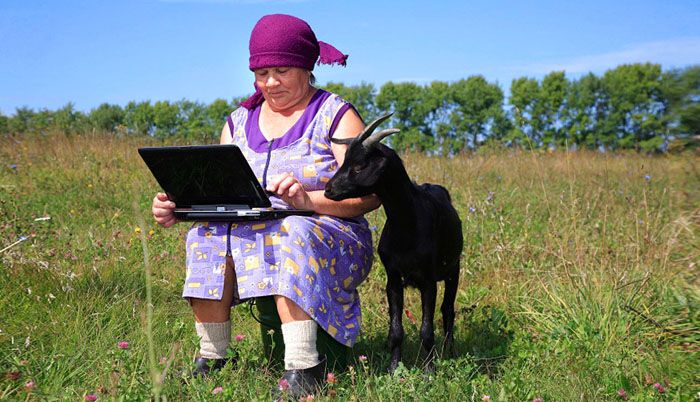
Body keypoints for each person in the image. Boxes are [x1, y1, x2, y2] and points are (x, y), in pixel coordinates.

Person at [151, 13, 380, 397]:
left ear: (306, 67)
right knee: (205, 234)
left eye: (282, 71)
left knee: (292, 228)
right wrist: (180, 206)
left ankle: (304, 367)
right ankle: (213, 357)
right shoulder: (238, 122)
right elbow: (220, 192)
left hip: (331, 233)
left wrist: (307, 200)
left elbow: (371, 195)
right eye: (261, 73)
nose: (270, 82)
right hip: (255, 229)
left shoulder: (336, 115)